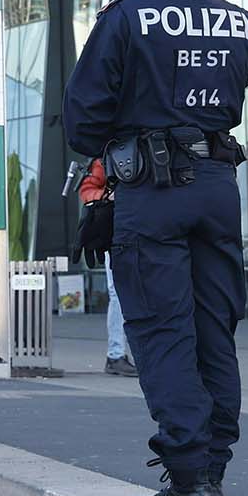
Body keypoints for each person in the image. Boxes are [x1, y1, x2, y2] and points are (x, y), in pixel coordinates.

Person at [63, 0, 248, 496]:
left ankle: (188, 485)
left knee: (161, 335)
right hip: (216, 187)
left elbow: (82, 119)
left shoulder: (127, 17)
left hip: (152, 191)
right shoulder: (240, 22)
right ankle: (215, 479)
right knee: (213, 335)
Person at [78, 158, 138, 376]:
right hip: (117, 235)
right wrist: (110, 197)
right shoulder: (106, 158)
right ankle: (116, 354)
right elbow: (86, 190)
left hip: (141, 233)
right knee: (118, 293)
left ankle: (124, 354)